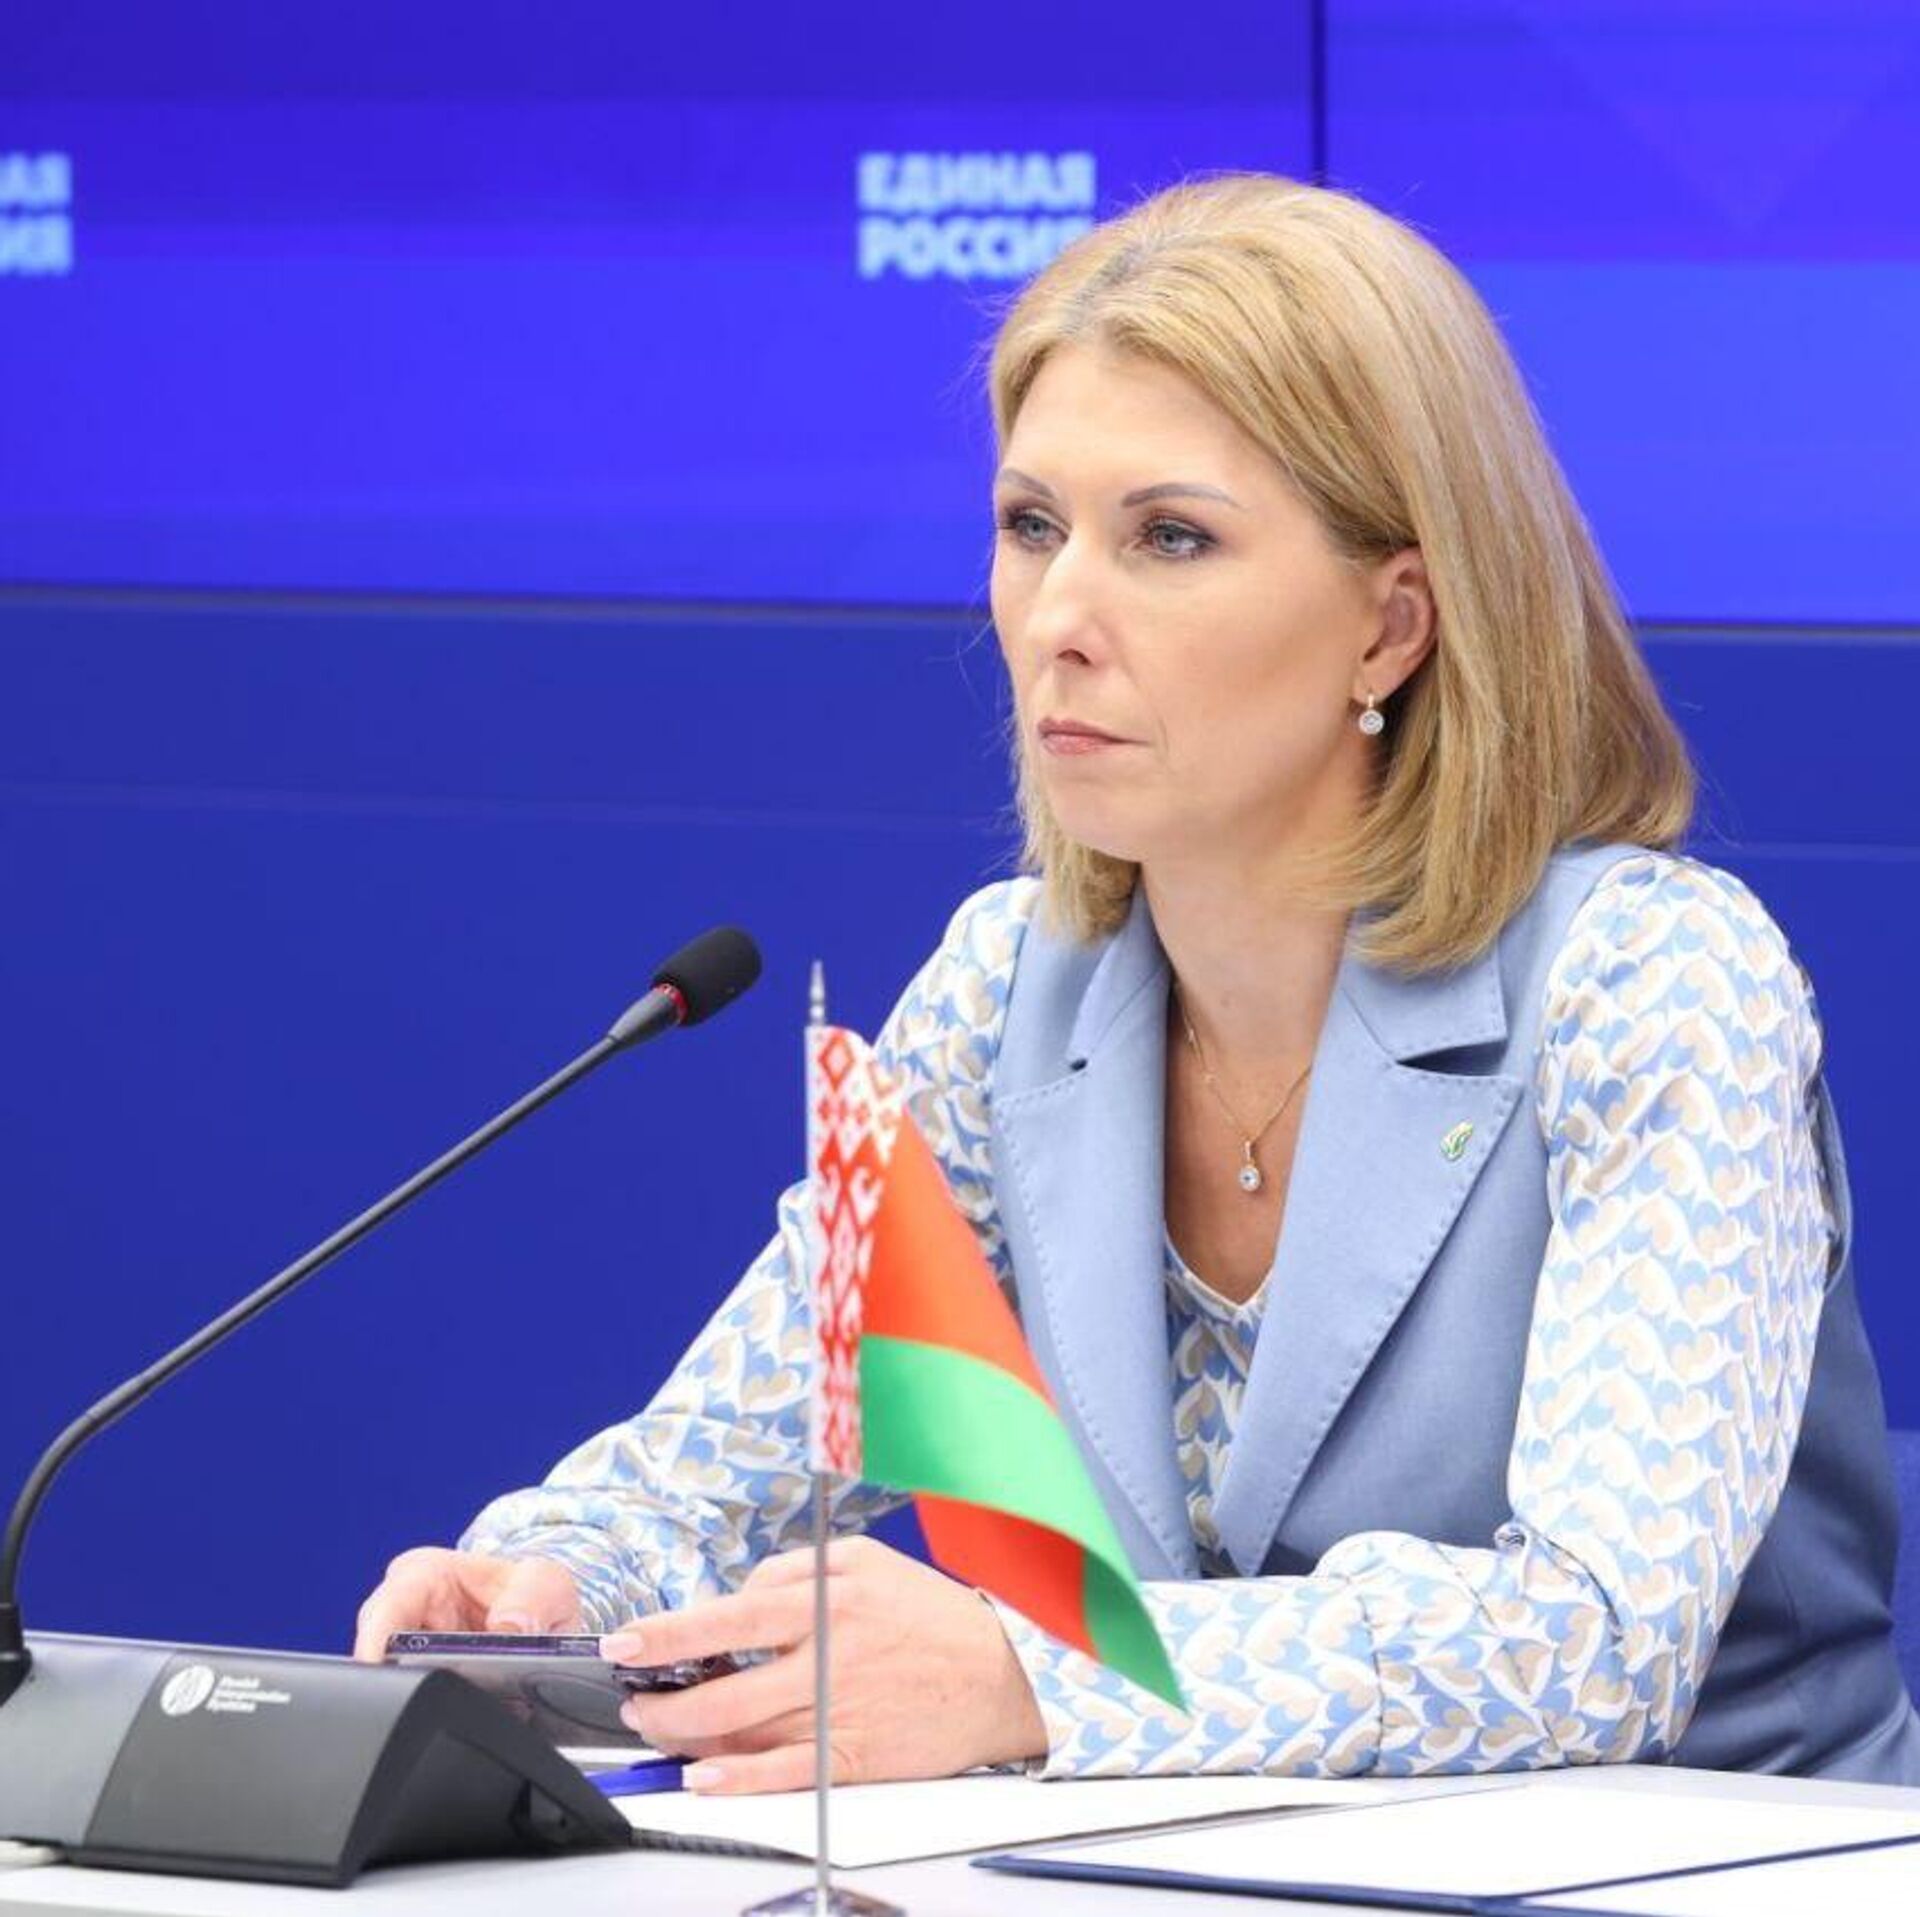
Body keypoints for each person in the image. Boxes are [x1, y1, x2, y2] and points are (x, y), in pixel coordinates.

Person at [353, 173, 1920, 1792]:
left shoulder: (1655, 978)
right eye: (1031, 527)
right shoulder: (1008, 988)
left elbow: (1594, 1639)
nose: (1059, 617)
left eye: (1170, 538)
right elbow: (715, 1472)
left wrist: (1040, 1678)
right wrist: (553, 1582)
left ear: (1392, 626)